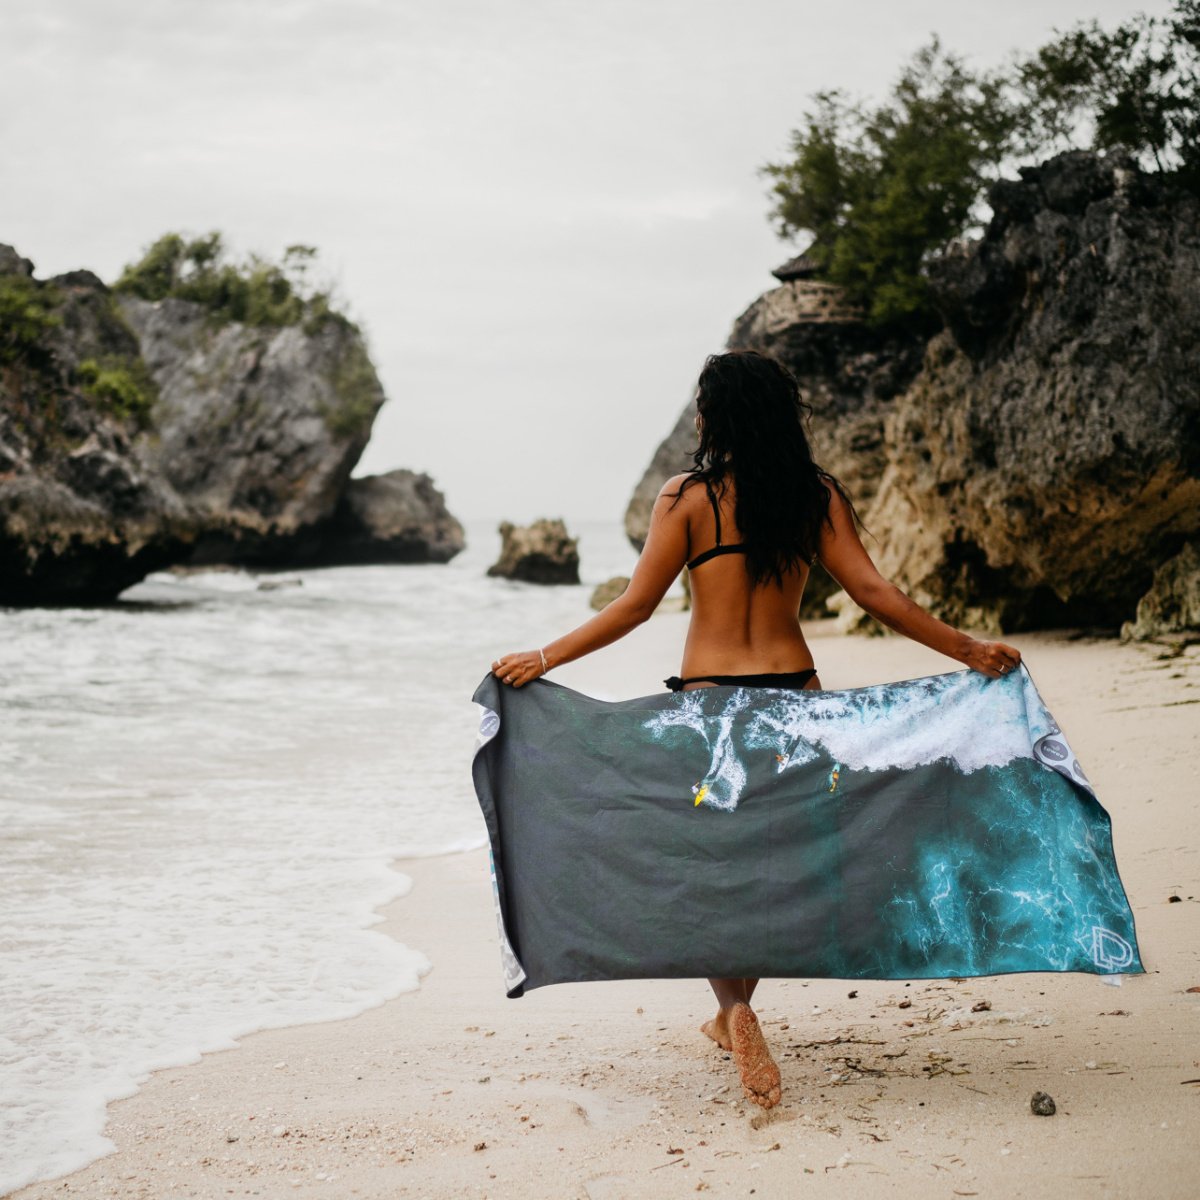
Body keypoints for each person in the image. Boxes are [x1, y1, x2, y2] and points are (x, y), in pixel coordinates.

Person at [490, 349, 1021, 1111]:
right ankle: (729, 1010)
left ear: (715, 415)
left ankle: (733, 1006)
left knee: (714, 868)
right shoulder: (812, 496)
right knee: (774, 865)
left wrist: (545, 656)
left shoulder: (687, 498)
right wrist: (966, 649)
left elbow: (635, 607)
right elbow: (873, 592)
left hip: (711, 704)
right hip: (794, 703)